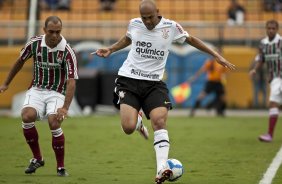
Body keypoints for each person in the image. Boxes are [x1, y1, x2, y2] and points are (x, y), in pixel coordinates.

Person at [94, 0, 235, 183]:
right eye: (144, 18)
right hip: (129, 80)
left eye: (150, 17)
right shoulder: (134, 23)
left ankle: (161, 168)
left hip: (154, 83)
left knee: (159, 121)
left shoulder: (171, 27)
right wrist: (111, 49)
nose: (148, 22)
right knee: (127, 128)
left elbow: (191, 40)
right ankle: (137, 122)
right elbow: (128, 38)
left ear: (157, 12)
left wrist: (216, 55)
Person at [0, 16, 78, 176]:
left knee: (54, 122)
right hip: (37, 89)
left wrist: (65, 108)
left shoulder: (67, 51)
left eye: (58, 32)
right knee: (27, 116)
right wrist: (6, 83)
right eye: (51, 32)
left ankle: (61, 167)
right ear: (44, 31)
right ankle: (37, 158)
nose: (55, 35)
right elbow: (19, 61)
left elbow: (71, 82)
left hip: (57, 92)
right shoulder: (34, 43)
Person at [249, 19, 281, 142]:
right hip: (273, 78)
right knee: (273, 104)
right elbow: (261, 59)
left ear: (277, 29)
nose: (271, 30)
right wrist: (254, 70)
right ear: (266, 29)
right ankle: (270, 135)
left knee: (273, 103)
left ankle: (270, 134)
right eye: (269, 28)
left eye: (273, 28)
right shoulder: (263, 43)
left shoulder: (281, 42)